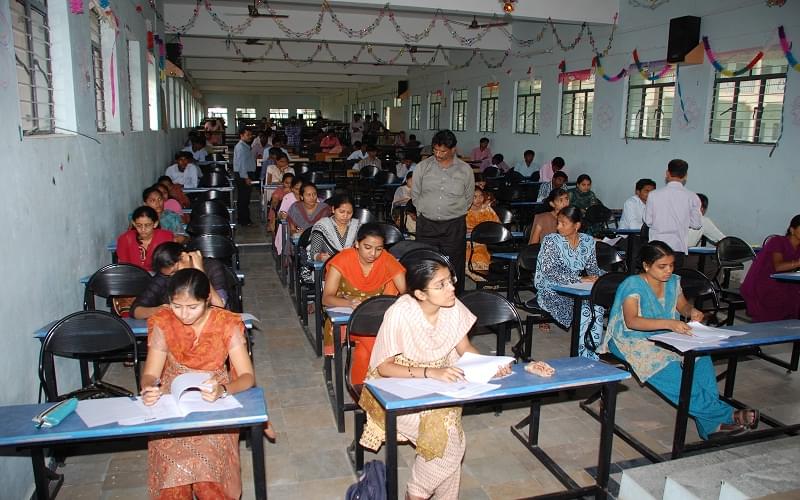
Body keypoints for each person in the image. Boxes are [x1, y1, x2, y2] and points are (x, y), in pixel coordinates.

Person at [358, 257, 511, 499]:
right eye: (440, 285)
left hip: (441, 384)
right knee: (451, 445)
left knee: (449, 441)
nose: (451, 288)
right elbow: (385, 368)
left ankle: (418, 494)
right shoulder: (400, 312)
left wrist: (489, 365)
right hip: (395, 389)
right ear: (420, 293)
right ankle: (415, 495)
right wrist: (430, 372)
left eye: (450, 281)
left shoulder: (453, 306)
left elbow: (465, 348)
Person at [600, 241, 759, 438]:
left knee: (701, 358)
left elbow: (681, 306)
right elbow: (632, 322)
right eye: (662, 266)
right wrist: (669, 324)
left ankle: (710, 426)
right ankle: (726, 414)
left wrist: (691, 311)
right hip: (630, 339)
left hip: (665, 333)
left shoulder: (673, 281)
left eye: (671, 265)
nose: (668, 271)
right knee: (670, 369)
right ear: (647, 266)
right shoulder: (632, 284)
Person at [140, 269, 255, 499]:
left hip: (213, 396)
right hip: (173, 398)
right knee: (173, 478)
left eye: (192, 307)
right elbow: (150, 373)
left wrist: (223, 390)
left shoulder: (226, 323)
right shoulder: (163, 322)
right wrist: (149, 387)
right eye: (176, 306)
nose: (184, 314)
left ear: (207, 301)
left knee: (208, 476)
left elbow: (247, 376)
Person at [322, 223, 406, 355]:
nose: (373, 254)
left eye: (379, 249)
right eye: (367, 247)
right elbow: (326, 298)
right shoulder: (342, 260)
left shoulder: (387, 260)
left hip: (377, 311)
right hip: (348, 310)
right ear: (357, 244)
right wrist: (350, 303)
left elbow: (406, 293)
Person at [535, 207, 604, 359]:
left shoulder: (587, 241)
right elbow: (548, 272)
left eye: (563, 223)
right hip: (551, 289)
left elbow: (593, 268)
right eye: (557, 222)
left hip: (575, 289)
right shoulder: (551, 240)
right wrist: (579, 279)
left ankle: (591, 353)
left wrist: (602, 278)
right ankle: (581, 357)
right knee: (583, 311)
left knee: (597, 309)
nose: (558, 227)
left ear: (577, 225)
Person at [411, 130, 475, 294]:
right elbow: (415, 195)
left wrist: (453, 210)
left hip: (453, 226)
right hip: (427, 225)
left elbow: (468, 197)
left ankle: (455, 299)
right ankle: (425, 298)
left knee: (454, 265)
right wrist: (424, 211)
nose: (438, 154)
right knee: (425, 264)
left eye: (443, 151)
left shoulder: (465, 170)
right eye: (435, 150)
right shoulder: (423, 167)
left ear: (453, 149)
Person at [130, 243, 228, 319]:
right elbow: (135, 310)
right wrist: (159, 310)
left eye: (175, 271)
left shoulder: (212, 267)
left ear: (184, 257)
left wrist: (200, 271)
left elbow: (219, 306)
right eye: (169, 275)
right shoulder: (165, 275)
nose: (174, 276)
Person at [740, 214, 800, 322]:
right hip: (769, 284)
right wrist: (798, 263)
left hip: (789, 284)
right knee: (786, 299)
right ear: (792, 230)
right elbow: (778, 267)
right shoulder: (777, 241)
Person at [643, 159, 702, 267]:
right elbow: (697, 224)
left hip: (657, 247)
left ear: (667, 173)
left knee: (655, 280)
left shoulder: (654, 195)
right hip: (678, 247)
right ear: (685, 176)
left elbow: (648, 221)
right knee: (674, 280)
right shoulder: (692, 197)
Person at [116, 206, 174, 272]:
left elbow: (168, 265)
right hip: (132, 276)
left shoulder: (165, 237)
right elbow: (124, 266)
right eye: (139, 225)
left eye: (147, 225)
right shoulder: (125, 239)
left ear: (155, 224)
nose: (143, 229)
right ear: (134, 224)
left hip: (159, 276)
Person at [308, 194, 360, 262]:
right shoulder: (322, 226)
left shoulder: (357, 227)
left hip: (351, 267)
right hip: (327, 267)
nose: (345, 216)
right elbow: (314, 253)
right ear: (333, 209)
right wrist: (320, 257)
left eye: (349, 213)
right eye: (341, 212)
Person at [465, 187, 500, 274]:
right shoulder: (464, 212)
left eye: (481, 196)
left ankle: (484, 279)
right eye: (475, 197)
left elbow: (498, 226)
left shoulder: (487, 210)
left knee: (480, 254)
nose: (479, 199)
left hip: (484, 241)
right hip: (467, 242)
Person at [274, 177, 304, 255]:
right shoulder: (288, 197)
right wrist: (284, 215)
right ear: (292, 189)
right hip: (290, 227)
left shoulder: (309, 195)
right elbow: (280, 214)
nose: (299, 191)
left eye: (302, 189)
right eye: (297, 189)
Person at [233, 127, 256, 226]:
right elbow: (242, 164)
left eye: (251, 135)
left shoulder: (245, 146)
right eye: (248, 135)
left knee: (244, 198)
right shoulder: (241, 147)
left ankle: (243, 219)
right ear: (241, 135)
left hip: (245, 174)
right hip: (243, 175)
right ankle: (244, 220)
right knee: (243, 199)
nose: (250, 137)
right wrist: (246, 177)